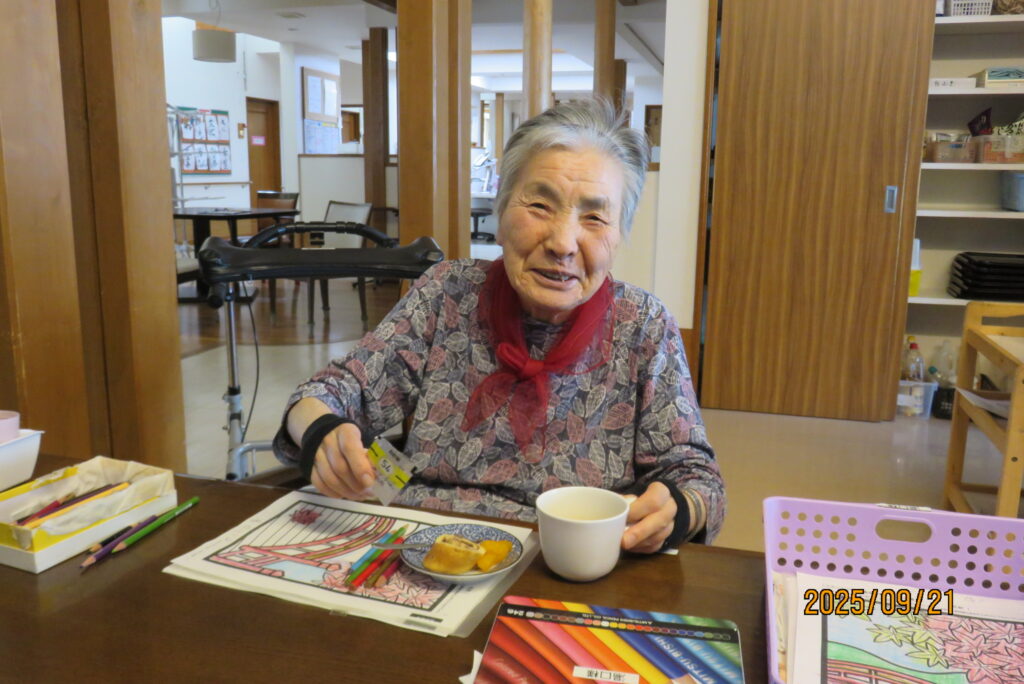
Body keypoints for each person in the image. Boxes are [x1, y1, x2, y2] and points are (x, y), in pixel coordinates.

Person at [274, 98, 724, 553]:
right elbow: (331, 391)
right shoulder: (447, 293)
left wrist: (677, 509)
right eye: (540, 205)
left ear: (619, 234)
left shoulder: (643, 325)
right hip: (428, 544)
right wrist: (321, 431)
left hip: (568, 558)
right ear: (501, 214)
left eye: (594, 217)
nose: (563, 243)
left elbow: (698, 479)